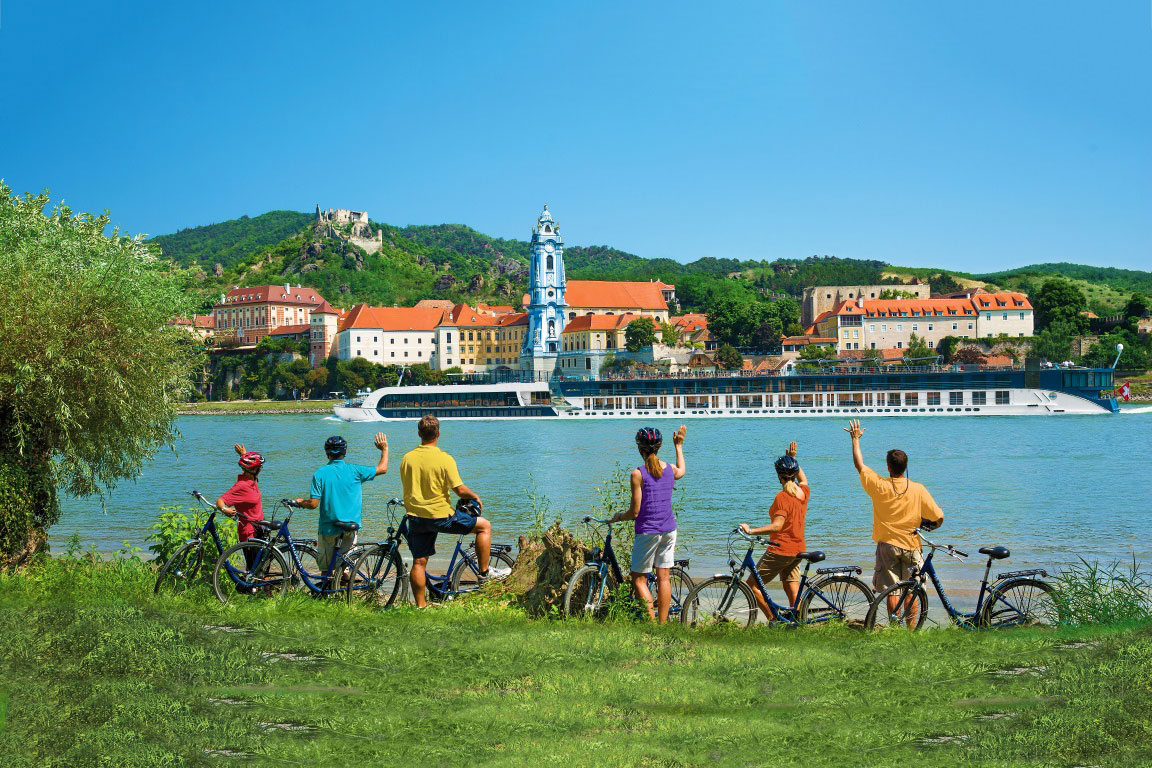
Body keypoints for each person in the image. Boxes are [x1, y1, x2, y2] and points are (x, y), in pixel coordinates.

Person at [400, 415, 509, 607]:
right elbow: (459, 489)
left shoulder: (407, 458)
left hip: (416, 517)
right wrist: (474, 496)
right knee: (484, 526)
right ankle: (484, 573)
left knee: (419, 562)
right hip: (440, 516)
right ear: (438, 434)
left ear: (419, 434)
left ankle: (421, 607)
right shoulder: (444, 459)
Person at [844, 419, 943, 619]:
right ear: (906, 468)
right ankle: (911, 629)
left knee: (892, 590)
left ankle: (894, 626)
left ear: (888, 468)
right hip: (912, 545)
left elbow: (859, 465)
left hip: (887, 545)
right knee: (913, 589)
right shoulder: (918, 489)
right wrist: (925, 524)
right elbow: (938, 518)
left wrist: (855, 440)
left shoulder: (880, 486)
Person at [609, 425, 687, 624]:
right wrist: (678, 446)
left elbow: (634, 512)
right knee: (664, 578)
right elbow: (682, 471)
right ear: (659, 447)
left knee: (639, 580)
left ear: (639, 448)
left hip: (648, 532)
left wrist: (618, 517)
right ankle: (661, 625)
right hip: (669, 529)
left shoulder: (638, 474)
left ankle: (651, 624)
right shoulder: (669, 469)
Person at [294, 433, 389, 574]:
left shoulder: (320, 473)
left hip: (329, 528)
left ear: (327, 453)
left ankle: (326, 594)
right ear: (345, 452)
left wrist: (301, 502)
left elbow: (313, 504)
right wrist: (384, 449)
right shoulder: (356, 471)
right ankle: (344, 591)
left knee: (327, 570)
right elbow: (382, 468)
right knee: (346, 568)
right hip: (350, 527)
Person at [738, 441, 809, 621]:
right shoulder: (802, 493)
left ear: (779, 476)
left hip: (780, 549)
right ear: (793, 474)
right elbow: (804, 480)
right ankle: (797, 623)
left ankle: (773, 620)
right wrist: (793, 460)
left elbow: (777, 526)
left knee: (752, 585)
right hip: (798, 549)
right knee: (791, 587)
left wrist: (751, 530)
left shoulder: (782, 497)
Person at [216, 443, 266, 569]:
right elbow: (221, 500)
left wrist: (244, 455)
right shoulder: (241, 486)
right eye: (259, 467)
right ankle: (248, 588)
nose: (260, 469)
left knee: (262, 567)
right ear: (254, 470)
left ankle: (262, 588)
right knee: (253, 569)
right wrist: (224, 509)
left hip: (259, 529)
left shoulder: (252, 480)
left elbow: (249, 468)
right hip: (249, 534)